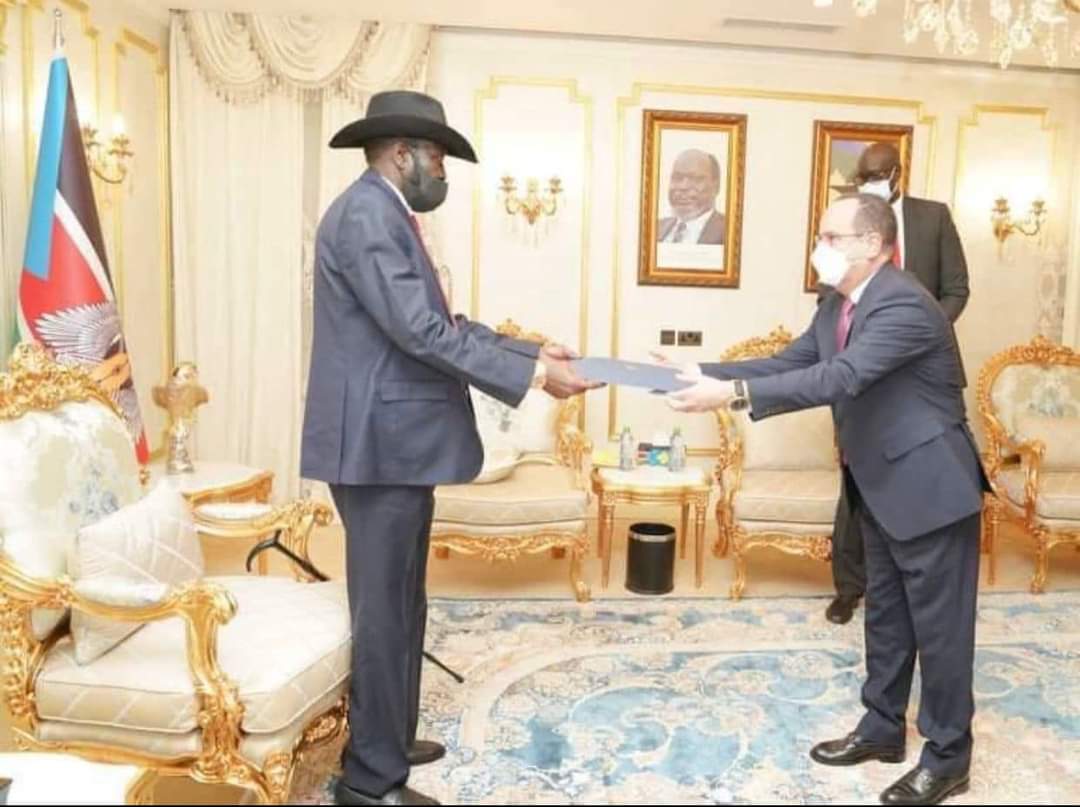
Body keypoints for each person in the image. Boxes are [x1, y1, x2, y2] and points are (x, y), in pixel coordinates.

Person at [300, 90, 596, 807]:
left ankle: (388, 736)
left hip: (395, 445)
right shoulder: (368, 215)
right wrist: (534, 377)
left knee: (404, 599)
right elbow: (421, 332)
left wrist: (530, 350)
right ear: (402, 154)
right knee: (383, 611)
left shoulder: (386, 213)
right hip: (378, 447)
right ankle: (369, 782)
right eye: (437, 158)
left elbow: (443, 321)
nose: (443, 172)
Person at [665, 194, 989, 807]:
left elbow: (841, 376)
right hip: (877, 481)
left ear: (872, 244)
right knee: (886, 615)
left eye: (831, 237)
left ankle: (949, 758)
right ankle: (882, 727)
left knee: (941, 632)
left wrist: (730, 395)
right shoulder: (839, 303)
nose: (820, 248)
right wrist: (701, 372)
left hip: (930, 487)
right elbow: (791, 361)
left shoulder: (905, 303)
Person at [824, 142, 971, 625]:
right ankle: (849, 587)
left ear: (897, 173)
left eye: (877, 174)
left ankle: (909, 582)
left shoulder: (933, 216)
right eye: (862, 176)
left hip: (920, 374)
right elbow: (834, 300)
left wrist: (915, 335)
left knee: (917, 475)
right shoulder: (846, 230)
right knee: (858, 480)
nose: (869, 182)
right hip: (860, 371)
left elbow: (956, 289)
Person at [656, 148, 726, 244]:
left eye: (696, 179)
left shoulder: (729, 230)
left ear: (716, 186)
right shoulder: (656, 227)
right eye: (677, 178)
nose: (683, 187)